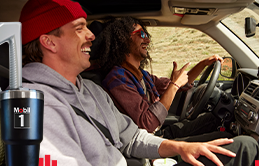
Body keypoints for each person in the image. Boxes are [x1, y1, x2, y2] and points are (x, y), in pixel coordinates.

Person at [18, 0, 259, 166]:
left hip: (141, 159)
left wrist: (180, 148)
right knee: (245, 147)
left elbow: (132, 137)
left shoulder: (91, 89)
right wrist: (174, 90)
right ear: (49, 42)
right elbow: (147, 123)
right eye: (80, 28)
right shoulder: (36, 109)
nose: (92, 35)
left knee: (234, 143)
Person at [96, 17, 225, 141]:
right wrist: (174, 85)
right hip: (149, 143)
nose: (147, 40)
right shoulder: (117, 80)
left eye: (146, 35)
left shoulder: (142, 75)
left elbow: (180, 84)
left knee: (213, 120)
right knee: (220, 137)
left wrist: (203, 64)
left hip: (159, 134)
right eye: (141, 34)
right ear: (124, 39)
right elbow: (148, 124)